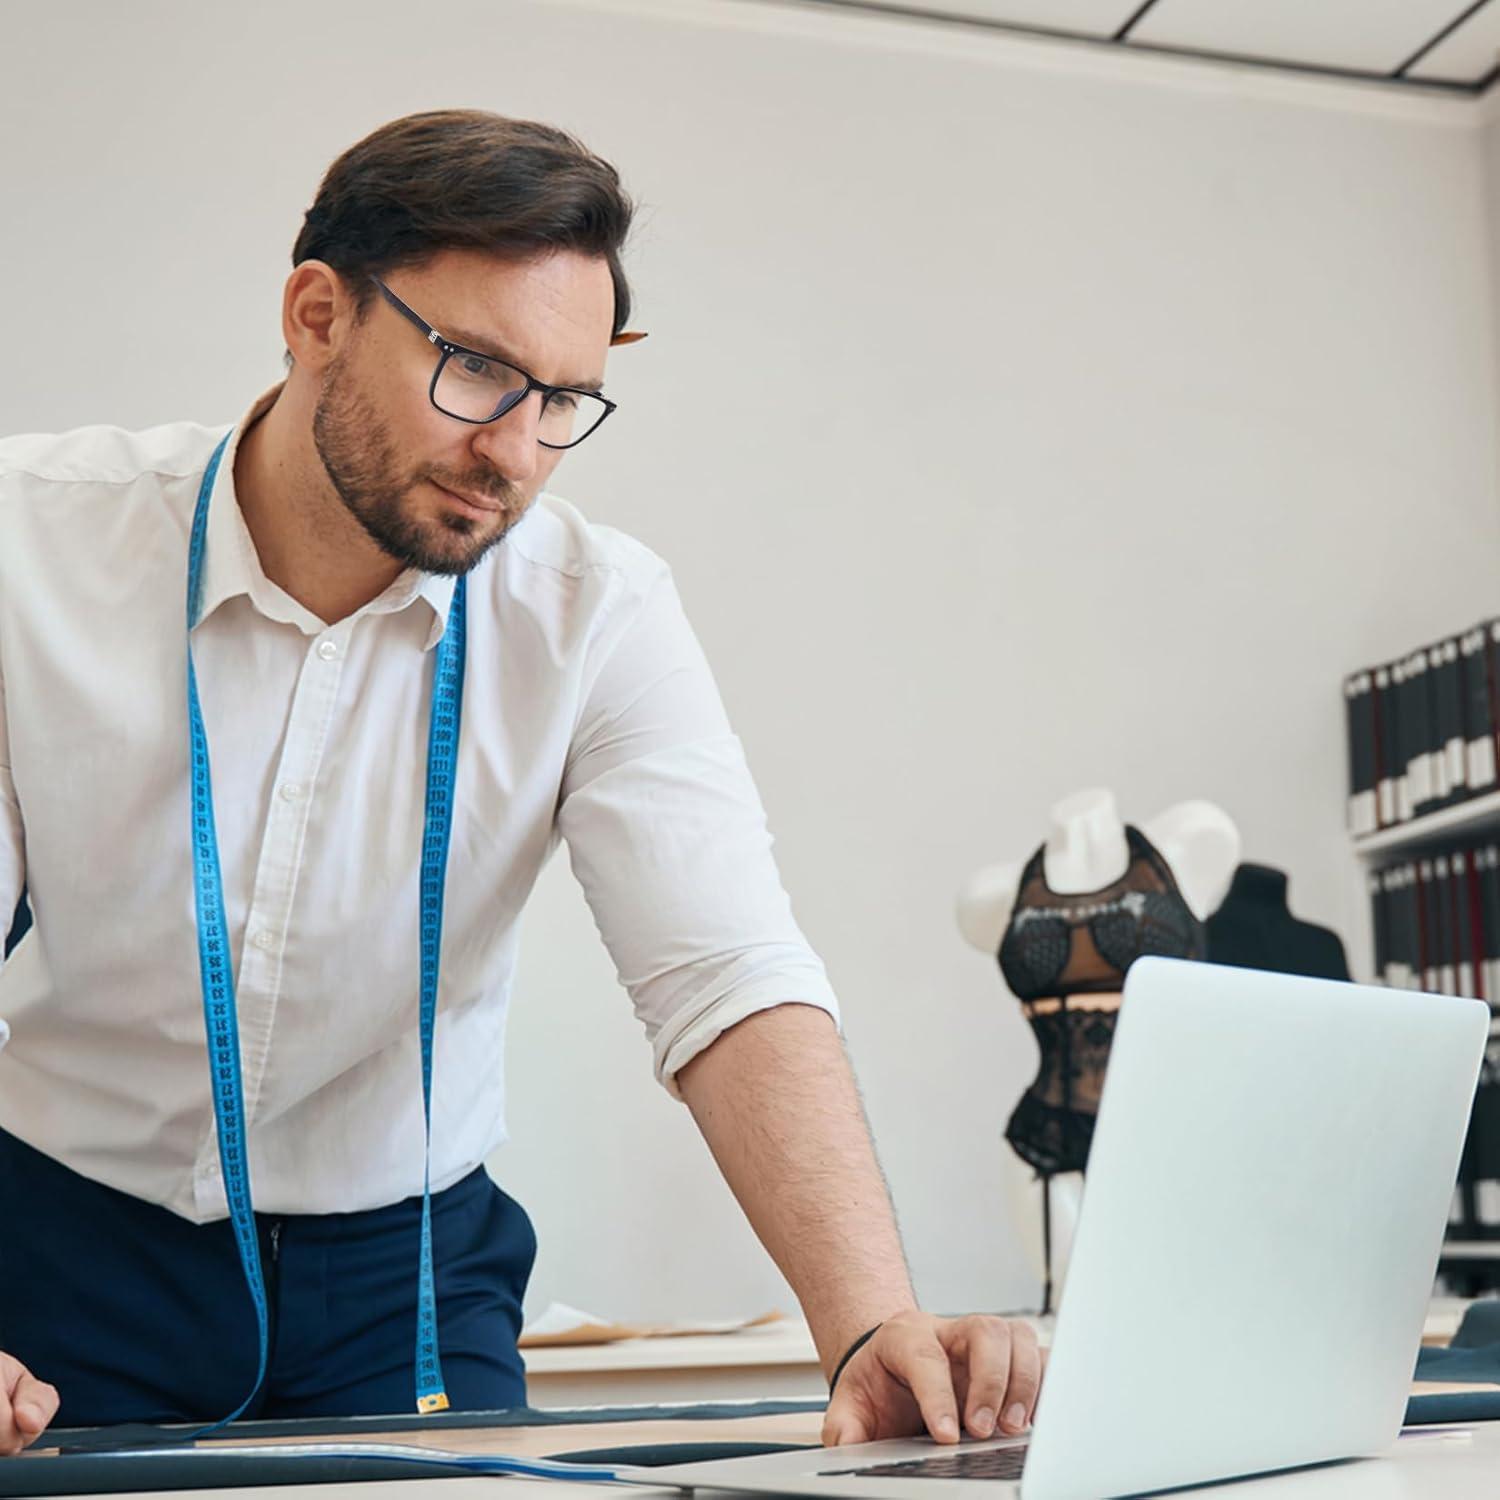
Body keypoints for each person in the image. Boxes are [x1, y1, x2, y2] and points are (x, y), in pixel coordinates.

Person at [0, 110, 1042, 1454]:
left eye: (563, 400)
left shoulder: (597, 610)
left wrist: (869, 1324)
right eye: (480, 372)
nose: (517, 454)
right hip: (60, 1245)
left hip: (405, 1272)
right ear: (317, 314)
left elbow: (723, 975)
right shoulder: (32, 546)